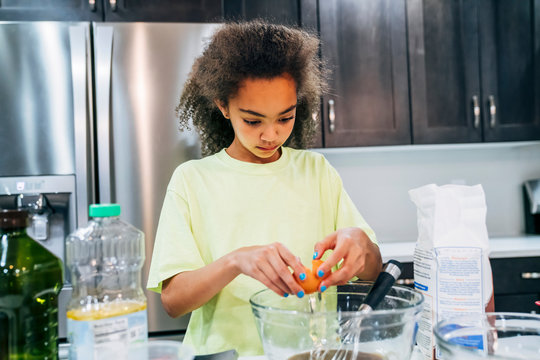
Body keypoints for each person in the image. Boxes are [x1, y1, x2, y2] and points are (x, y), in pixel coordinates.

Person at [147, 21, 382, 356]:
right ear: (223, 105)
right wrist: (235, 262)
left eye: (284, 118)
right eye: (254, 121)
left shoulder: (316, 173)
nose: (271, 135)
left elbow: (372, 271)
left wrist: (363, 247)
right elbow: (173, 301)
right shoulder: (193, 180)